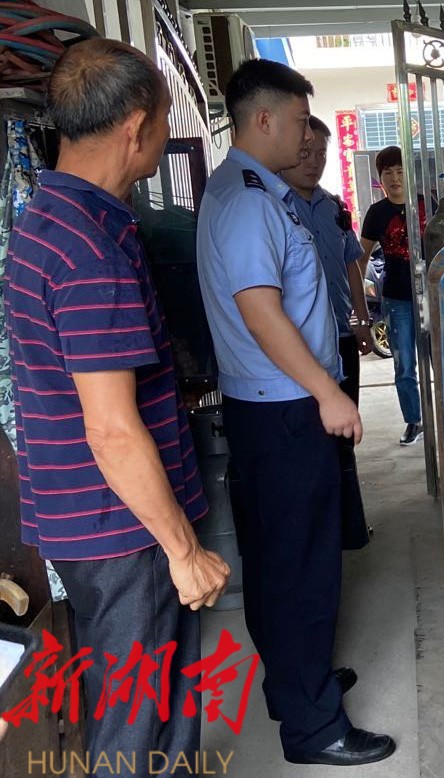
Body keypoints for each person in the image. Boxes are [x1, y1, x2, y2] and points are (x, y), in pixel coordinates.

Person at [6, 39, 230, 774]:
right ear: (136, 128)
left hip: (90, 520)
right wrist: (182, 551)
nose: (165, 135)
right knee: (140, 723)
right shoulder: (88, 252)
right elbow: (110, 427)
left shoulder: (49, 219)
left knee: (148, 708)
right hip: (124, 529)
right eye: (164, 120)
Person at [196, 59, 394, 766]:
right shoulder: (251, 202)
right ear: (264, 119)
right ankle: (316, 728)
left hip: (267, 410)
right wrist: (328, 392)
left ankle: (296, 686)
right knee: (303, 568)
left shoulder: (246, 191)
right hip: (285, 410)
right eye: (300, 121)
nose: (309, 136)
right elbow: (262, 312)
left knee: (277, 560)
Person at [280, 116, 371, 405]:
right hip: (300, 341)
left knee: (348, 415)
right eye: (305, 153)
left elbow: (351, 264)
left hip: (342, 333)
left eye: (321, 154)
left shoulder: (334, 208)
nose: (314, 163)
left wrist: (362, 320)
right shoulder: (274, 208)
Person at [360, 146, 425, 446]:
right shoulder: (377, 213)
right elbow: (361, 257)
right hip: (397, 298)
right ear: (380, 178)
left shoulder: (427, 204)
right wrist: (358, 298)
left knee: (439, 360)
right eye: (389, 173)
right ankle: (414, 420)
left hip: (429, 296)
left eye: (400, 171)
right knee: (404, 364)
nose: (395, 178)